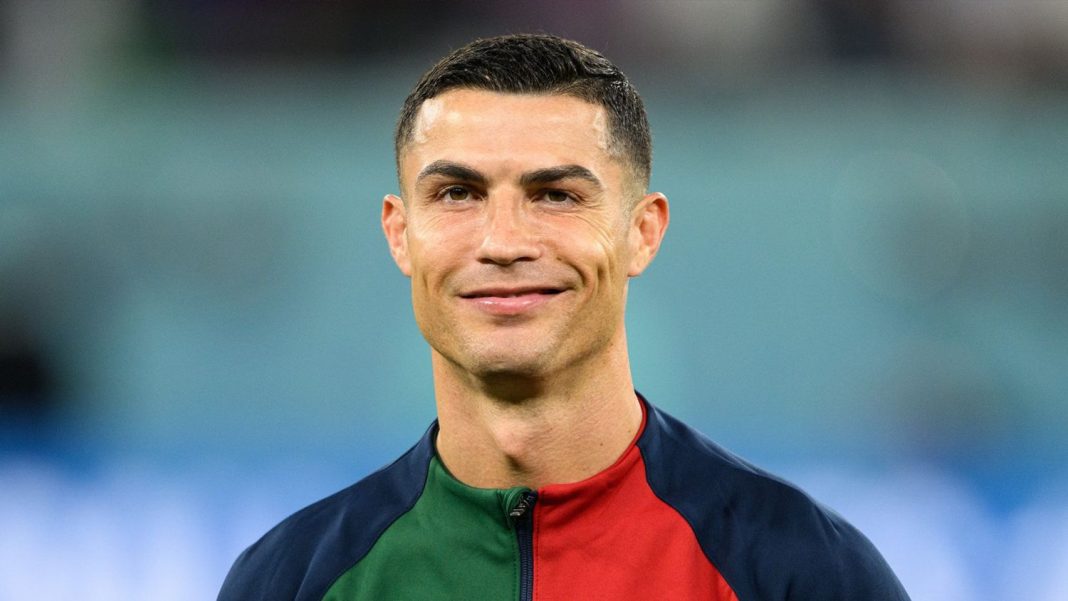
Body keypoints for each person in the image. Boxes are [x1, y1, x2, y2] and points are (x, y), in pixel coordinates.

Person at [218, 34, 910, 601]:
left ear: (642, 231)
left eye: (555, 195)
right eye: (457, 193)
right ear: (400, 234)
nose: (503, 242)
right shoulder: (293, 580)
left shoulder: (800, 572)